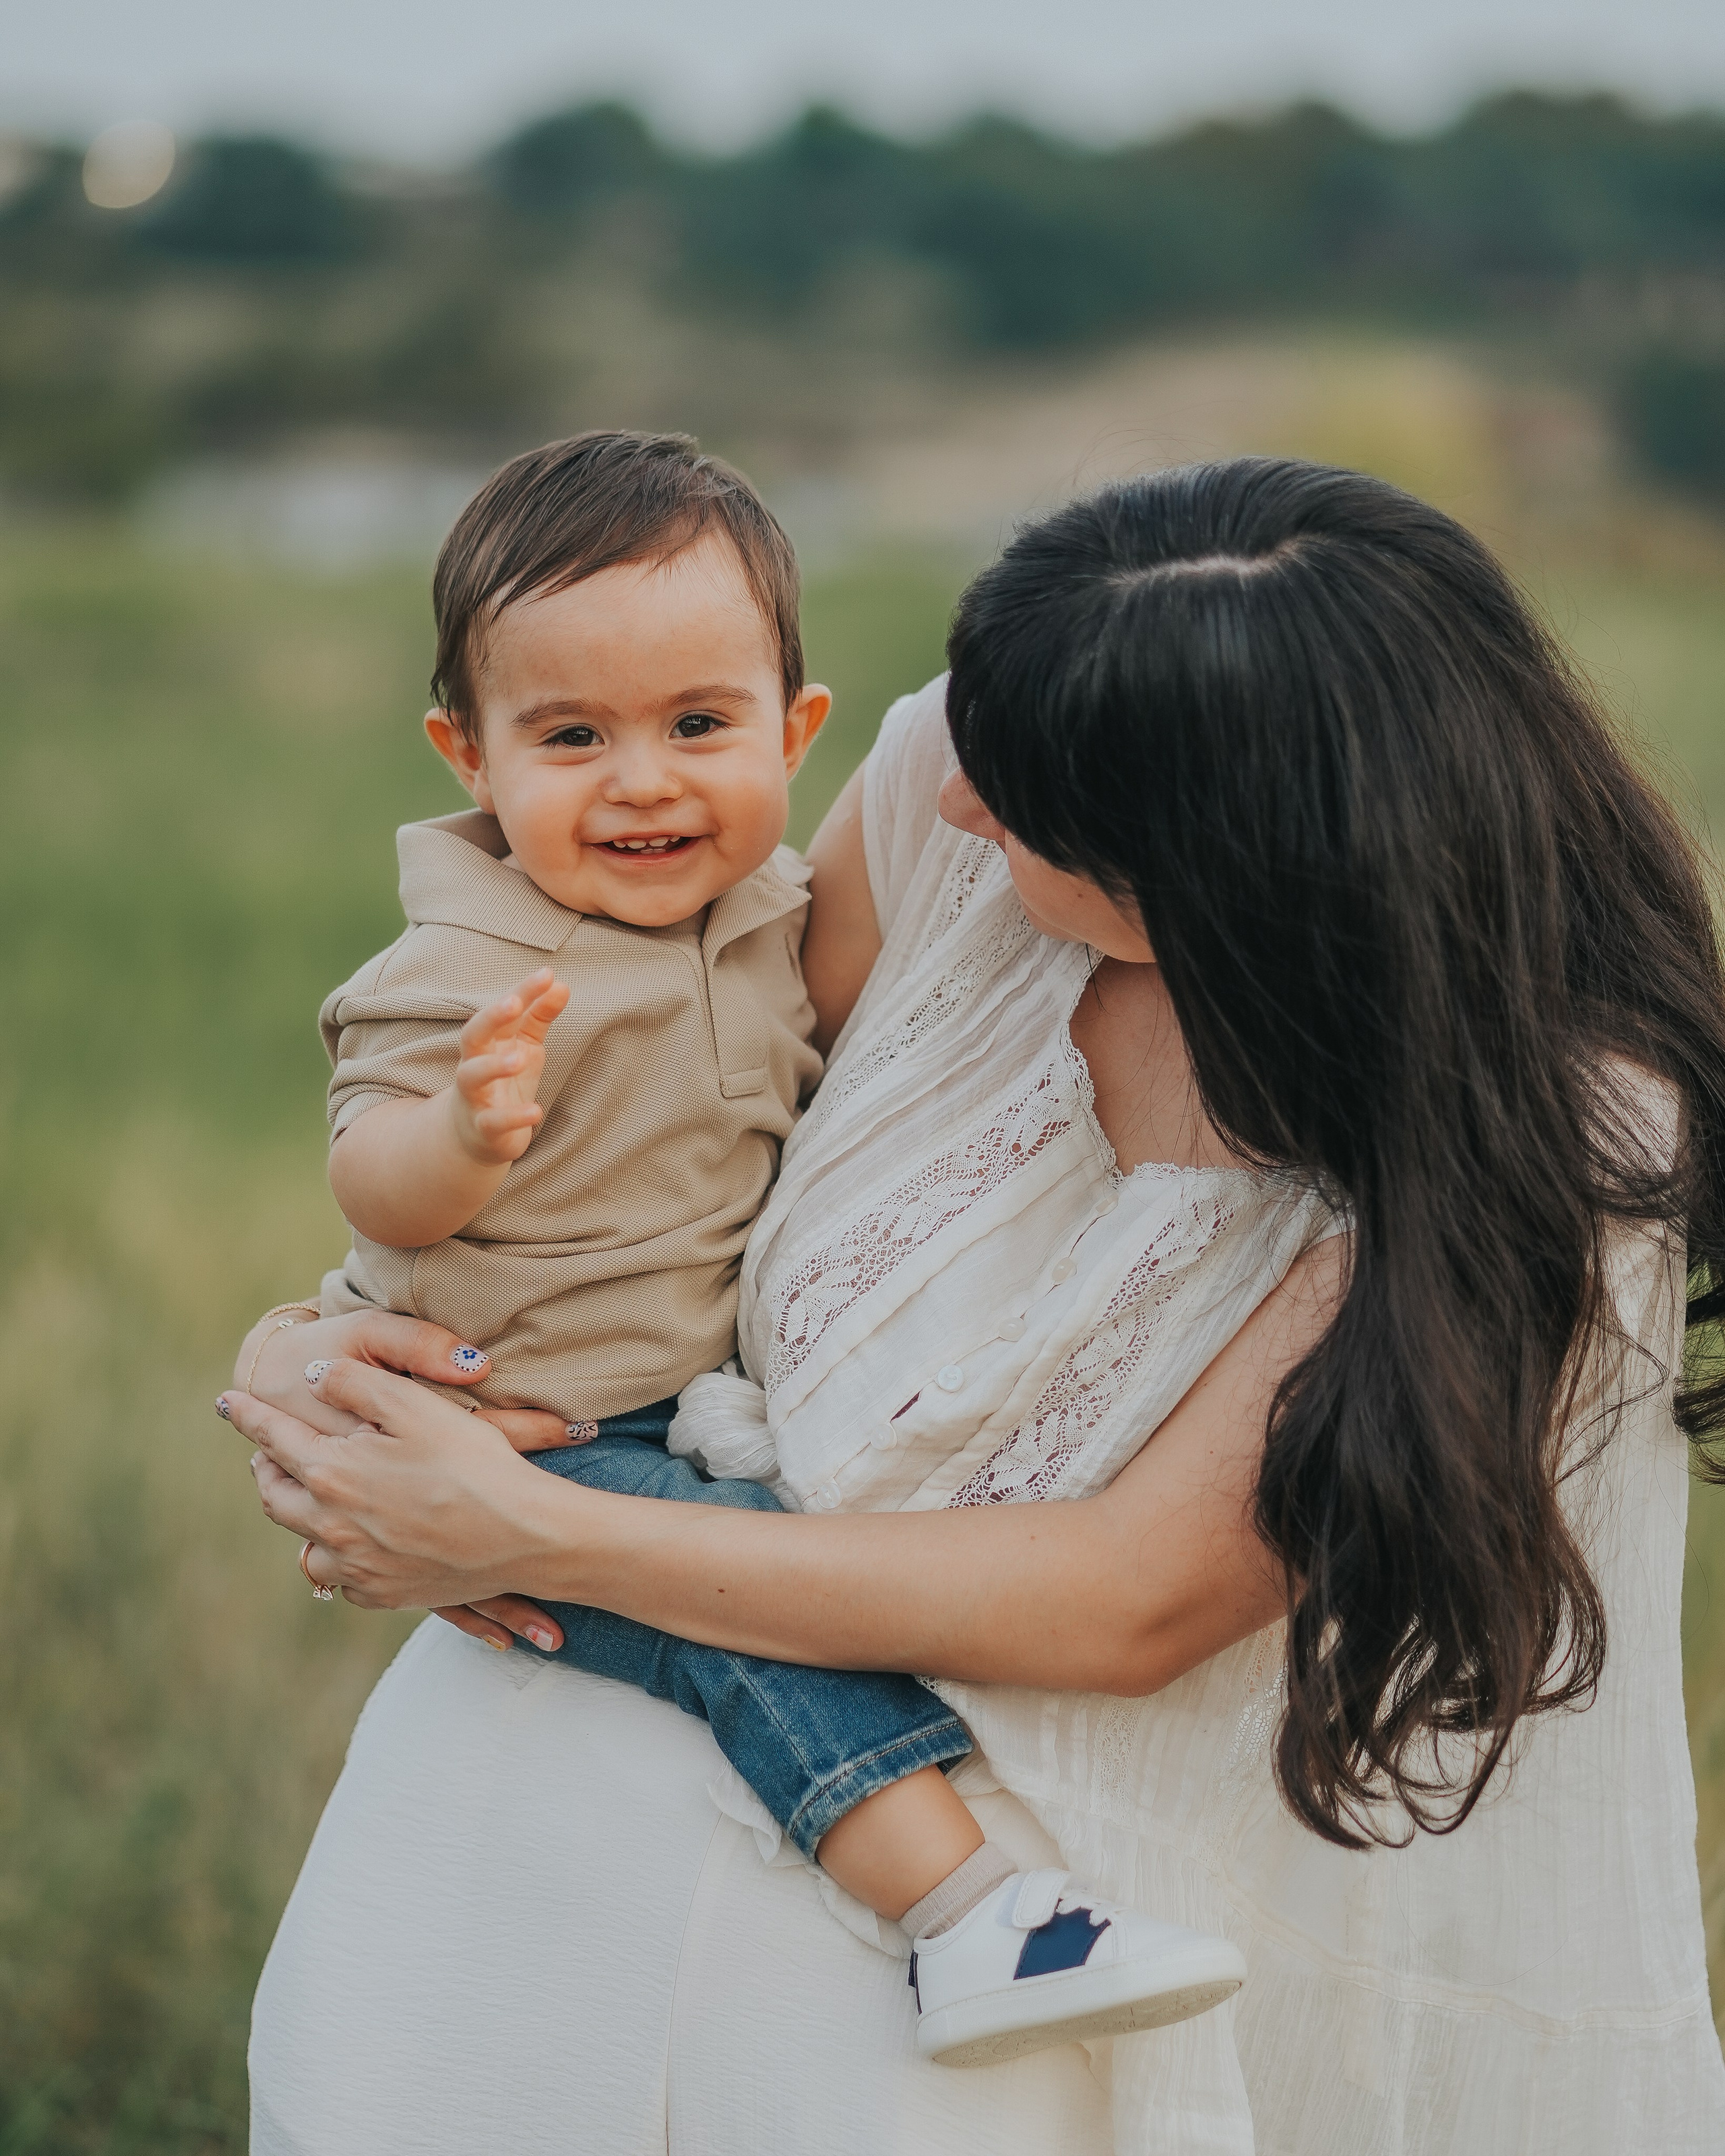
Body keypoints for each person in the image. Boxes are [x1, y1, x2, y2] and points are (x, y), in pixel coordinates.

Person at [226, 457, 1725, 2155]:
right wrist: (320, 1343)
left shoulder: (1554, 1135)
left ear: (1226, 865)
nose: (944, 804)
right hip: (503, 1861)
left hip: (994, 1990)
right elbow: (642, 1130)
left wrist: (516, 1526)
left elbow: (1132, 1599)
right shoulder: (971, 766)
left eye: (1016, 804)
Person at [283, 423, 1245, 2066]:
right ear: (467, 754)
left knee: (733, 1589)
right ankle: (971, 1921)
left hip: (672, 1398)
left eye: (698, 724)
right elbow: (370, 1178)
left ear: (796, 732)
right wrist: (462, 1138)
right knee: (751, 1653)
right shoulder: (463, 969)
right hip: (540, 1419)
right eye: (570, 734)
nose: (642, 779)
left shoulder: (779, 911)